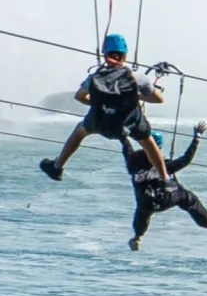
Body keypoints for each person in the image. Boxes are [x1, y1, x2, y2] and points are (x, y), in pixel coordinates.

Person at [39, 32, 169, 183]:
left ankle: (57, 167)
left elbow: (79, 96)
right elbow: (159, 99)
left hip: (100, 122)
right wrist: (137, 96)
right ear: (125, 55)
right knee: (148, 141)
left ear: (105, 54)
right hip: (129, 123)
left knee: (79, 131)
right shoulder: (137, 77)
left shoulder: (96, 77)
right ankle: (165, 177)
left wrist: (99, 104)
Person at [124, 121, 207, 250]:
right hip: (170, 197)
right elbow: (186, 159)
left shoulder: (132, 163)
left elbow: (126, 146)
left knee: (142, 211)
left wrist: (124, 134)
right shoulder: (165, 166)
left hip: (147, 202)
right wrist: (196, 137)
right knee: (189, 199)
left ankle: (137, 238)